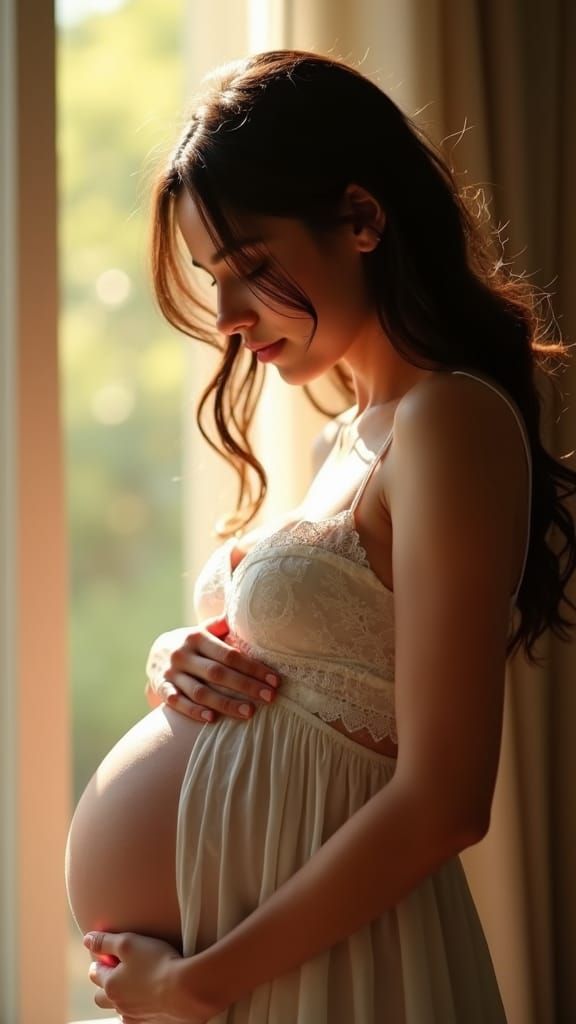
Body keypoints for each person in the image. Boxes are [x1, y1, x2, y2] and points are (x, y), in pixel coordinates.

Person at [80, 49, 576, 1022]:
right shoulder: (345, 438)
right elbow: (319, 678)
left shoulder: (448, 421)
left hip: (330, 967)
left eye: (252, 267)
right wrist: (184, 656)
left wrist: (199, 981)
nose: (228, 316)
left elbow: (446, 799)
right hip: (272, 952)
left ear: (361, 219)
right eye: (213, 278)